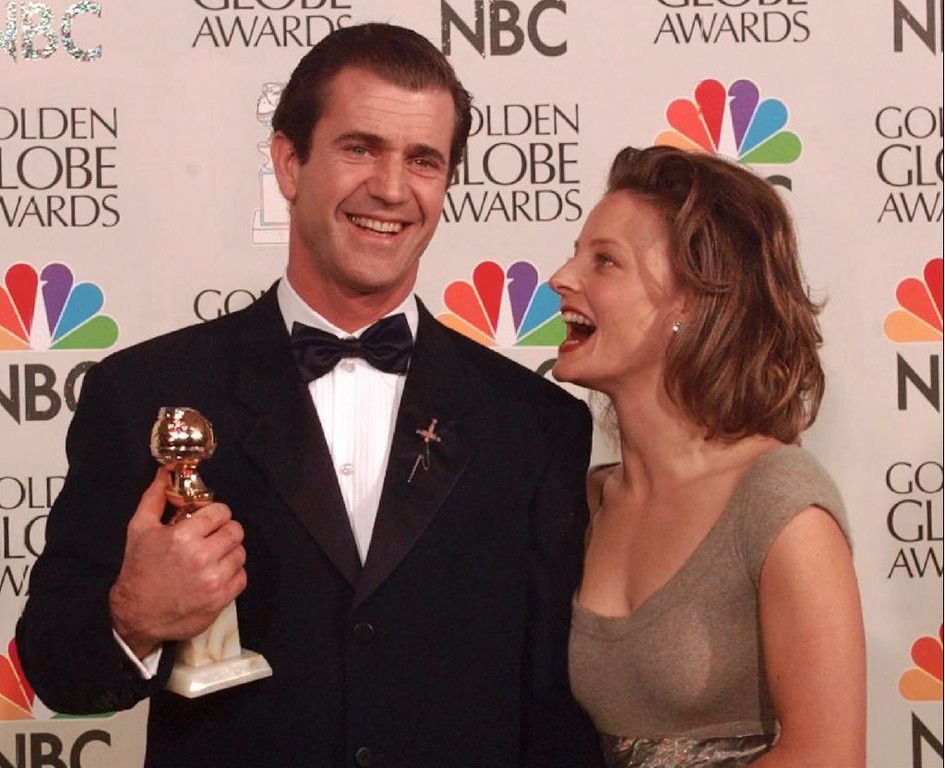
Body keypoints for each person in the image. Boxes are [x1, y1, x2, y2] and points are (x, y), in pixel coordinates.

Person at [16, 24, 601, 768]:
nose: (391, 188)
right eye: (360, 148)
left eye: (423, 160)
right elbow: (57, 669)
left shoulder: (537, 424)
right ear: (289, 163)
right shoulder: (144, 393)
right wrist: (134, 616)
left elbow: (555, 711)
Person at [551, 145, 866, 767]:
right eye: (576, 253)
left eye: (604, 261)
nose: (562, 276)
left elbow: (829, 756)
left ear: (690, 301)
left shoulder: (776, 499)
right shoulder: (587, 502)